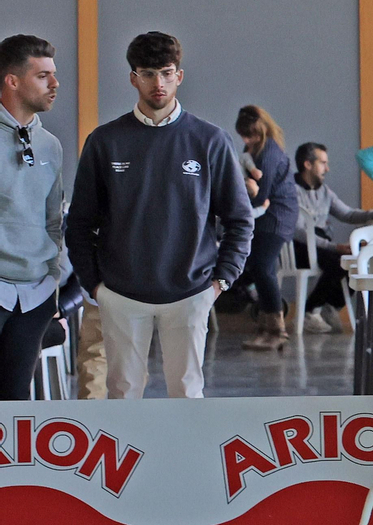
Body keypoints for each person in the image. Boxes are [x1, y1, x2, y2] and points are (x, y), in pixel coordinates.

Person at [66, 32, 254, 399]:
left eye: (167, 73)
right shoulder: (105, 141)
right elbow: (80, 221)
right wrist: (94, 286)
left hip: (191, 292)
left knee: (187, 394)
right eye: (149, 73)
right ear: (133, 78)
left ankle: (185, 459)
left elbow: (239, 219)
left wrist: (220, 282)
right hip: (120, 293)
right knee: (123, 394)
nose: (159, 83)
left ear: (179, 76)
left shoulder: (210, 141)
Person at [0, 35, 64, 400]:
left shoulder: (50, 145)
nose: (54, 84)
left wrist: (52, 278)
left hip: (36, 296)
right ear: (12, 80)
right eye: (43, 76)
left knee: (15, 404)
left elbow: (54, 221)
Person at [292, 142, 373, 333]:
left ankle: (331, 306)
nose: (327, 168)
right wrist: (334, 247)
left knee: (356, 261)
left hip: (321, 244)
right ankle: (309, 311)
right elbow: (298, 231)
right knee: (338, 262)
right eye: (323, 163)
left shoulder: (324, 191)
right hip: (299, 246)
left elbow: (347, 214)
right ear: (308, 164)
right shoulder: (290, 190)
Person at [235, 106, 299, 351]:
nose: (246, 140)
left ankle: (276, 329)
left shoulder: (270, 151)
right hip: (263, 216)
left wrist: (247, 189)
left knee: (262, 267)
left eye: (250, 135)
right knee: (263, 268)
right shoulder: (252, 149)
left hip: (277, 215)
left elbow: (262, 193)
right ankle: (265, 327)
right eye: (243, 135)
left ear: (260, 131)